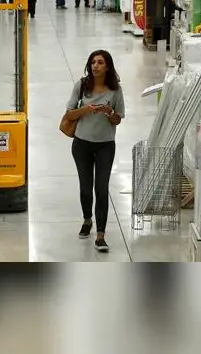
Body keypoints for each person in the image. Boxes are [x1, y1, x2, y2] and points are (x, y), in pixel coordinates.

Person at [61, 50, 125, 252]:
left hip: (106, 144)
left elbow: (119, 119)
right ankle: (87, 219)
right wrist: (87, 109)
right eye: (92, 62)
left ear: (107, 66)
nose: (95, 66)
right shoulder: (81, 86)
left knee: (102, 188)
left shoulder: (115, 90)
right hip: (82, 144)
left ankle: (101, 235)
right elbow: (69, 114)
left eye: (100, 62)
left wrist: (109, 112)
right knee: (86, 188)